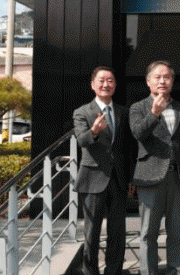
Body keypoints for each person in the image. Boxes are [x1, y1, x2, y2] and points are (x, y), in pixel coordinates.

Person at [129, 60, 180, 275]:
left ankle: (174, 270)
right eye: (157, 77)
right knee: (148, 232)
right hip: (150, 177)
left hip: (179, 177)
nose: (162, 81)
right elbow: (138, 134)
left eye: (166, 77)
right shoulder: (138, 107)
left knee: (176, 231)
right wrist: (154, 113)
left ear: (172, 81)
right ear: (148, 81)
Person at [73, 66, 136, 275]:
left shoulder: (123, 112)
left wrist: (130, 177)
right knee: (92, 231)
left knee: (117, 231)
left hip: (119, 179)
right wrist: (93, 131)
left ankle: (114, 271)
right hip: (92, 178)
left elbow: (128, 148)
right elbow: (82, 140)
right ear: (93, 85)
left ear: (115, 85)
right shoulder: (82, 112)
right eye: (101, 80)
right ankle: (90, 271)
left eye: (110, 80)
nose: (105, 84)